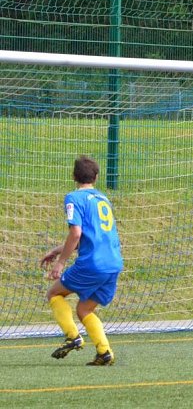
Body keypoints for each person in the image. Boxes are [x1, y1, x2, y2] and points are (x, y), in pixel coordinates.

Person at [40, 155, 123, 366]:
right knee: (84, 309)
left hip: (92, 263)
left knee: (54, 293)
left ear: (73, 176)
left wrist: (60, 263)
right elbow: (88, 236)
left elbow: (76, 233)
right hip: (113, 264)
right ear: (96, 177)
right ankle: (104, 352)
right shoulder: (103, 199)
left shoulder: (73, 198)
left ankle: (73, 336)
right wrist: (58, 251)